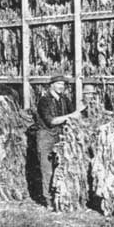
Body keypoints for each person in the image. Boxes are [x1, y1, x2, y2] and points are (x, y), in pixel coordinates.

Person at [36, 75, 74, 208]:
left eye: (63, 84)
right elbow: (51, 121)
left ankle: (61, 199)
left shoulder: (65, 100)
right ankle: (49, 201)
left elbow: (73, 115)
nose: (61, 87)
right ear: (51, 85)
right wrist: (70, 116)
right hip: (46, 136)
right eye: (58, 84)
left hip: (61, 136)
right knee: (47, 169)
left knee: (62, 167)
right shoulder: (44, 101)